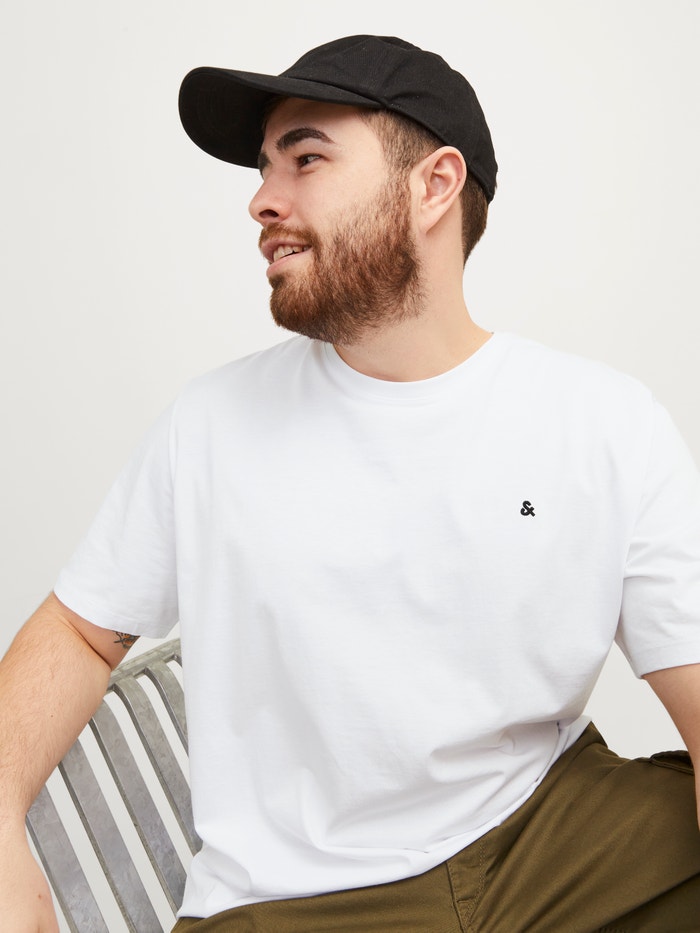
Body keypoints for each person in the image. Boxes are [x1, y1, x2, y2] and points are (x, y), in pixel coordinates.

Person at [1, 33, 699, 933]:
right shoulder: (208, 426)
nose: (262, 199)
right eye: (265, 168)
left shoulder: (602, 421)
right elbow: (80, 630)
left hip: (551, 839)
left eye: (306, 159)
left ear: (434, 186)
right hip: (299, 903)